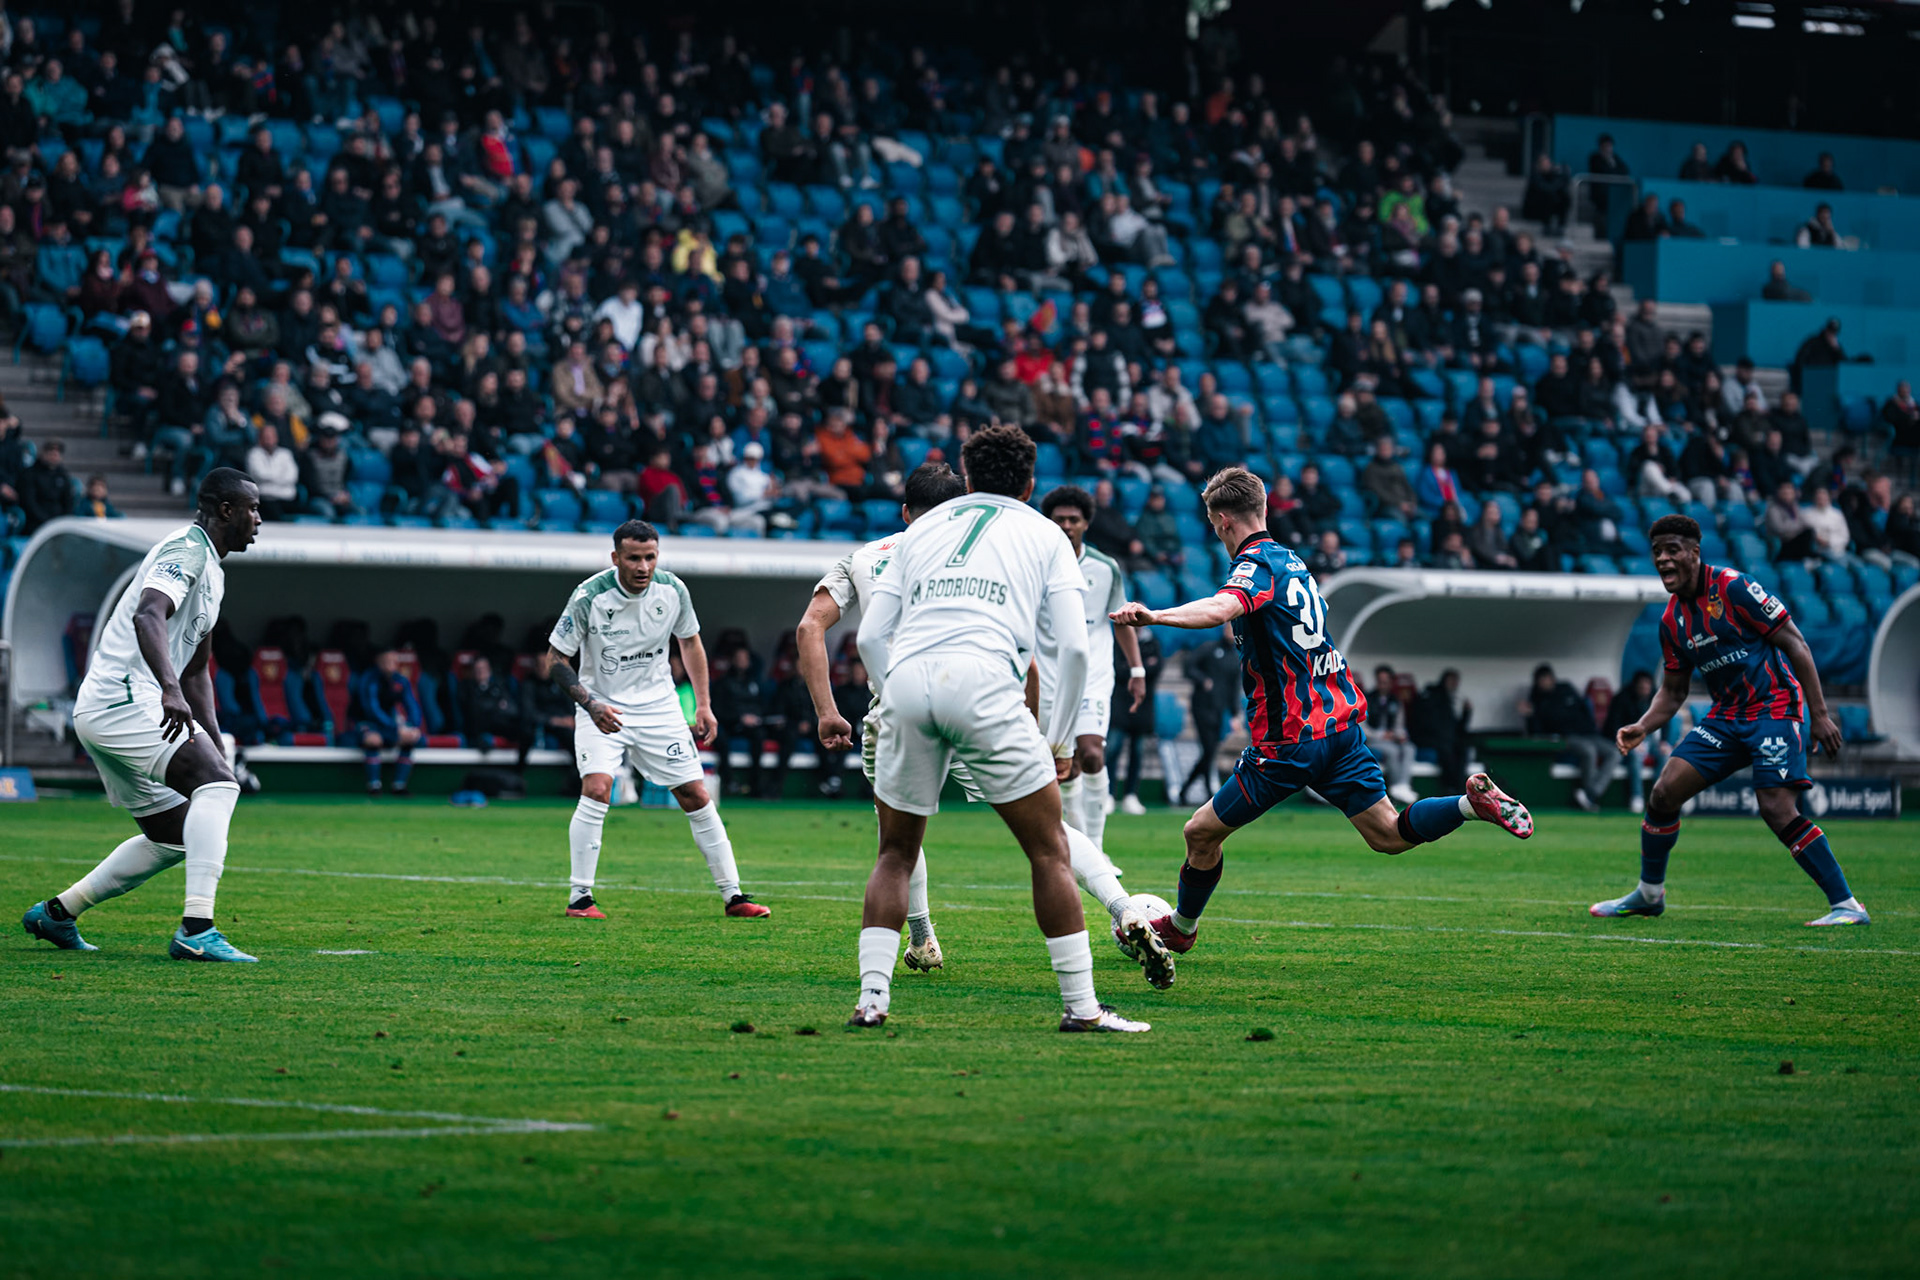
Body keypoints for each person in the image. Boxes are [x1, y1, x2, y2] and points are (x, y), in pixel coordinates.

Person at [1110, 467, 1535, 959]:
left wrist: (1156, 615)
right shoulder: (1293, 561)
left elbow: (1221, 608)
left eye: (1213, 525)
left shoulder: (1254, 567)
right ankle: (1468, 805)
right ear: (1264, 509)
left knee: (1199, 832)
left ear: (1223, 521)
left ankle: (1181, 927)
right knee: (1388, 835)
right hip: (1341, 725)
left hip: (1290, 740)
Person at [847, 425, 1157, 1031]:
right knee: (1049, 850)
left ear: (966, 472)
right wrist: (1058, 742)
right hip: (985, 683)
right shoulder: (1047, 534)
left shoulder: (922, 529)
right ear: (1031, 482)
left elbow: (865, 636)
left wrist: (896, 696)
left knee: (895, 853)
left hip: (906, 682)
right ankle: (1083, 1009)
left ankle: (872, 1001)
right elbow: (1071, 649)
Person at [22, 470, 262, 961]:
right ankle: (197, 929)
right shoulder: (187, 549)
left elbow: (197, 668)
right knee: (217, 788)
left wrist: (212, 738)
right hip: (126, 698)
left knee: (173, 836)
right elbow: (148, 614)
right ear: (224, 510)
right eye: (252, 509)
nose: (259, 520)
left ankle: (57, 914)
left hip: (112, 706)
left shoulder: (213, 571)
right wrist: (169, 692)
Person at [1592, 514, 1868, 928]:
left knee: (1775, 807)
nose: (1663, 560)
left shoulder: (1735, 588)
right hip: (1726, 717)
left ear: (1694, 553)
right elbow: (1673, 692)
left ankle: (1847, 904)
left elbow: (1795, 642)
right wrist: (1643, 725)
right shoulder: (1672, 621)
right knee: (1664, 793)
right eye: (1656, 553)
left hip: (1774, 707)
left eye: (1672, 550)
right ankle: (1650, 895)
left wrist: (1821, 714)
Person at [544, 520, 769, 922]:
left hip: (659, 707)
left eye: (650, 556)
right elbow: (556, 660)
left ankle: (734, 896)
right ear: (616, 558)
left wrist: (703, 705)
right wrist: (591, 704)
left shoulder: (673, 589)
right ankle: (580, 898)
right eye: (634, 558)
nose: (643, 566)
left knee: (696, 795)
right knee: (597, 788)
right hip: (602, 705)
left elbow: (691, 643)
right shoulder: (589, 596)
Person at [1035, 486, 1148, 851]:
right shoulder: (1033, 565)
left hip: (1094, 676)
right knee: (1063, 766)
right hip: (1048, 681)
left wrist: (1137, 671)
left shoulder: (1105, 567)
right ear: (1048, 523)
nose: (1067, 525)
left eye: (1074, 519)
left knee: (1092, 754)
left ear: (1086, 523)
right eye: (1059, 519)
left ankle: (1095, 849)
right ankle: (1079, 847)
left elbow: (1119, 621)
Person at [1519, 663, 1610, 813]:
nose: (1545, 682)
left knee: (1613, 752)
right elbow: (1536, 732)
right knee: (1589, 751)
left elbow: (1584, 710)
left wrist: (1591, 728)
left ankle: (1591, 793)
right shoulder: (1537, 700)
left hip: (1587, 733)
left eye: (1547, 678)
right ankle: (1590, 797)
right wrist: (1529, 717)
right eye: (1542, 680)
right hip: (1565, 738)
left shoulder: (1566, 689)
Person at [354, 649, 423, 795]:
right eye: (386, 662)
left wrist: (412, 726)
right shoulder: (369, 679)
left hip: (389, 725)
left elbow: (412, 705)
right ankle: (374, 785)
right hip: (365, 722)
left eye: (394, 662)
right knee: (373, 739)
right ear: (378, 662)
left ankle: (399, 785)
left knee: (409, 738)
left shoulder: (400, 680)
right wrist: (395, 728)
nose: (390, 665)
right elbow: (372, 709)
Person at [1366, 664, 1418, 806]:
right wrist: (1382, 735)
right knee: (1393, 751)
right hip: (1374, 740)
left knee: (1409, 748)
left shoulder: (1396, 701)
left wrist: (1399, 735)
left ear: (1391, 682)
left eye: (1386, 682)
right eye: (1380, 681)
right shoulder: (1367, 699)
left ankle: (1403, 785)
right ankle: (1395, 787)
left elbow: (1399, 725)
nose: (1383, 685)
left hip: (1392, 739)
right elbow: (1362, 727)